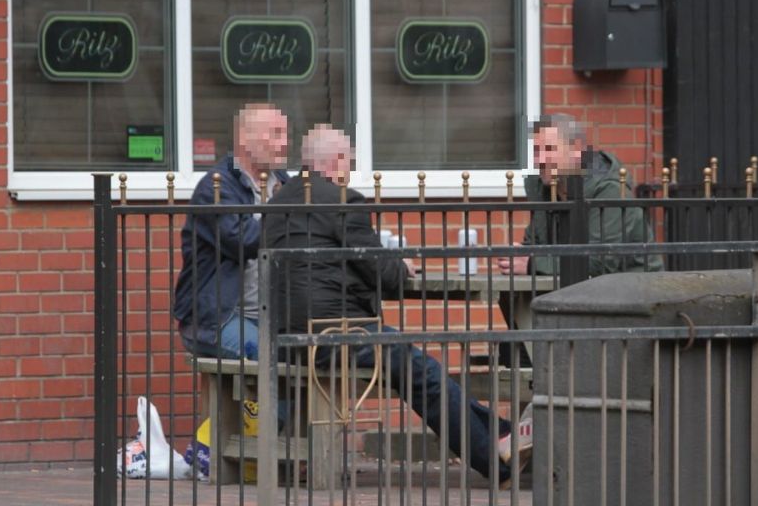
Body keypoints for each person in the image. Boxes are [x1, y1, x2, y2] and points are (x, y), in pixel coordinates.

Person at [264, 124, 532, 486]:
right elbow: (384, 274)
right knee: (426, 373)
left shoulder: (277, 203)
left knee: (417, 368)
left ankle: (503, 437)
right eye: (349, 162)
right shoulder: (344, 201)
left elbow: (327, 264)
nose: (350, 171)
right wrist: (400, 264)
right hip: (336, 335)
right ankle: (498, 458)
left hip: (285, 338)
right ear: (337, 161)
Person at [173, 103, 290, 359]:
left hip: (273, 315)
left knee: (312, 354)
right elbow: (244, 241)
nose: (285, 142)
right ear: (244, 139)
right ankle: (261, 402)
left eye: (285, 134)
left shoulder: (283, 182)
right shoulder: (215, 188)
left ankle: (270, 402)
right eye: (275, 133)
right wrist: (289, 216)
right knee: (271, 360)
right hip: (218, 319)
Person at [497, 113, 664, 277]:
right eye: (536, 151)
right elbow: (534, 244)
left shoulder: (609, 190)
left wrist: (533, 264)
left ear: (577, 150)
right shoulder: (544, 189)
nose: (539, 159)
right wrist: (516, 257)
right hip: (580, 293)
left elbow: (601, 263)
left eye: (549, 149)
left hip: (635, 291)